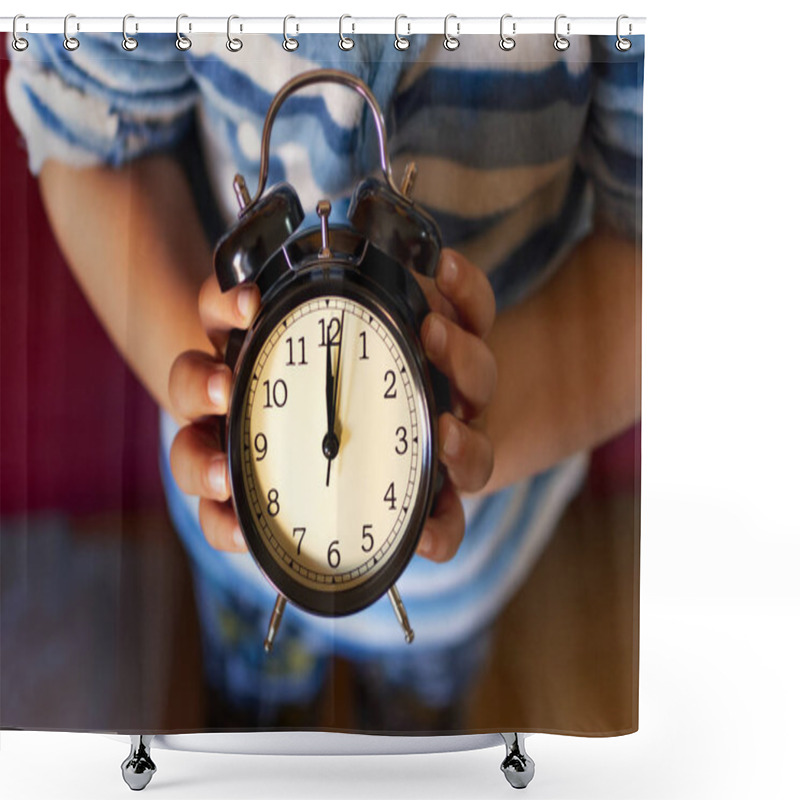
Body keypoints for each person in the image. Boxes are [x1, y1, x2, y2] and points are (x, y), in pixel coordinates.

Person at [5, 30, 642, 730]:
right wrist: (219, 389)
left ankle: (409, 730)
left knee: (422, 701)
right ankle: (262, 720)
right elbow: (89, 139)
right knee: (254, 676)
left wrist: (469, 426)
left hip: (468, 554)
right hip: (243, 548)